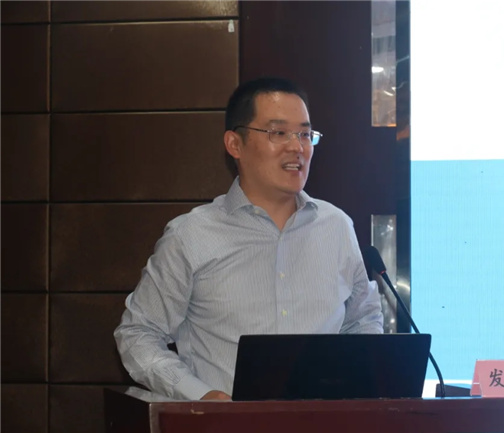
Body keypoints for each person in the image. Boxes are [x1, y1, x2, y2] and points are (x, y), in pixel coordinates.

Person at [114, 77, 384, 401]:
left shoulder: (337, 227)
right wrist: (201, 396)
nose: (297, 147)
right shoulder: (191, 236)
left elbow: (362, 322)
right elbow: (138, 334)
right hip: (224, 422)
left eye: (304, 134)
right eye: (278, 133)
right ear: (235, 144)